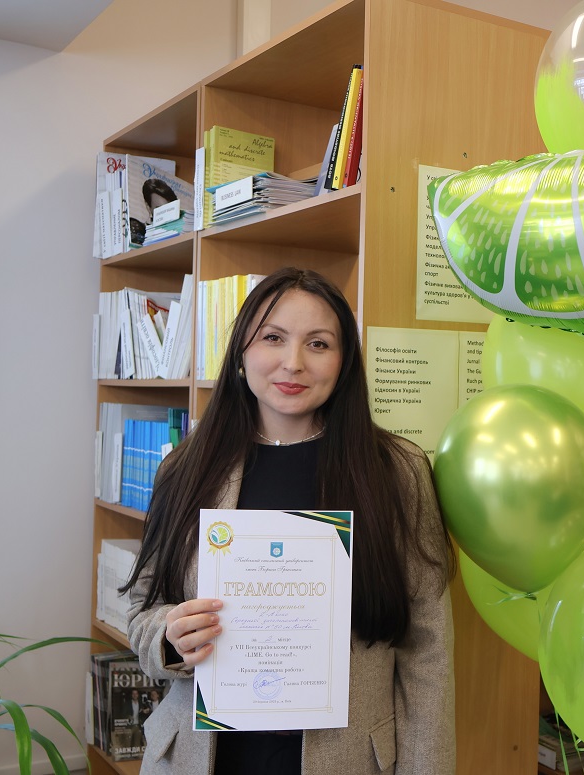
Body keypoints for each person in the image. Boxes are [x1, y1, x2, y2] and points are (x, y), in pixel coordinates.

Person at [122, 267, 456, 775]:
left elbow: (427, 650)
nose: (293, 362)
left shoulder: (395, 471)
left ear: (344, 362)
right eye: (273, 338)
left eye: (318, 344)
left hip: (348, 758)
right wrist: (170, 638)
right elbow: (142, 611)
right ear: (241, 352)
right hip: (201, 756)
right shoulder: (186, 468)